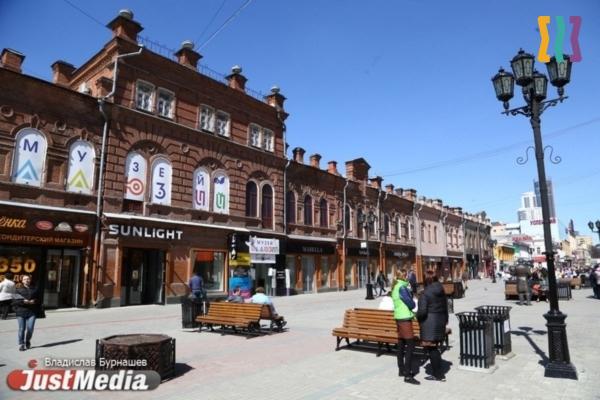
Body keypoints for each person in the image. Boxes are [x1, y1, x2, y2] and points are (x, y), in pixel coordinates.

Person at [416, 270, 449, 382]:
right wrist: (445, 321)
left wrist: (418, 317)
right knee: (434, 347)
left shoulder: (425, 293)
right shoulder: (441, 290)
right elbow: (446, 307)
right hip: (440, 321)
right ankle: (438, 372)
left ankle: (438, 375)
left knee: (432, 348)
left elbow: (422, 312)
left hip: (429, 323)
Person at [391, 269, 419, 385]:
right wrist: (412, 299)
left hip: (398, 318)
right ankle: (407, 375)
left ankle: (401, 370)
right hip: (404, 319)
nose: (408, 277)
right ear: (404, 276)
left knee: (401, 344)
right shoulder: (402, 288)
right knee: (411, 345)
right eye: (407, 275)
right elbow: (411, 304)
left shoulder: (396, 286)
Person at [12, 275, 40, 351]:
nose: (27, 280)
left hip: (32, 311)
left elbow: (39, 299)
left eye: (28, 279)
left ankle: (27, 341)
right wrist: (24, 301)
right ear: (22, 280)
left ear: (30, 280)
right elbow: (14, 301)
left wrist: (34, 301)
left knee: (30, 329)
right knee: (22, 329)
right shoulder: (18, 289)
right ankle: (21, 344)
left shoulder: (34, 289)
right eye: (25, 279)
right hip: (21, 311)